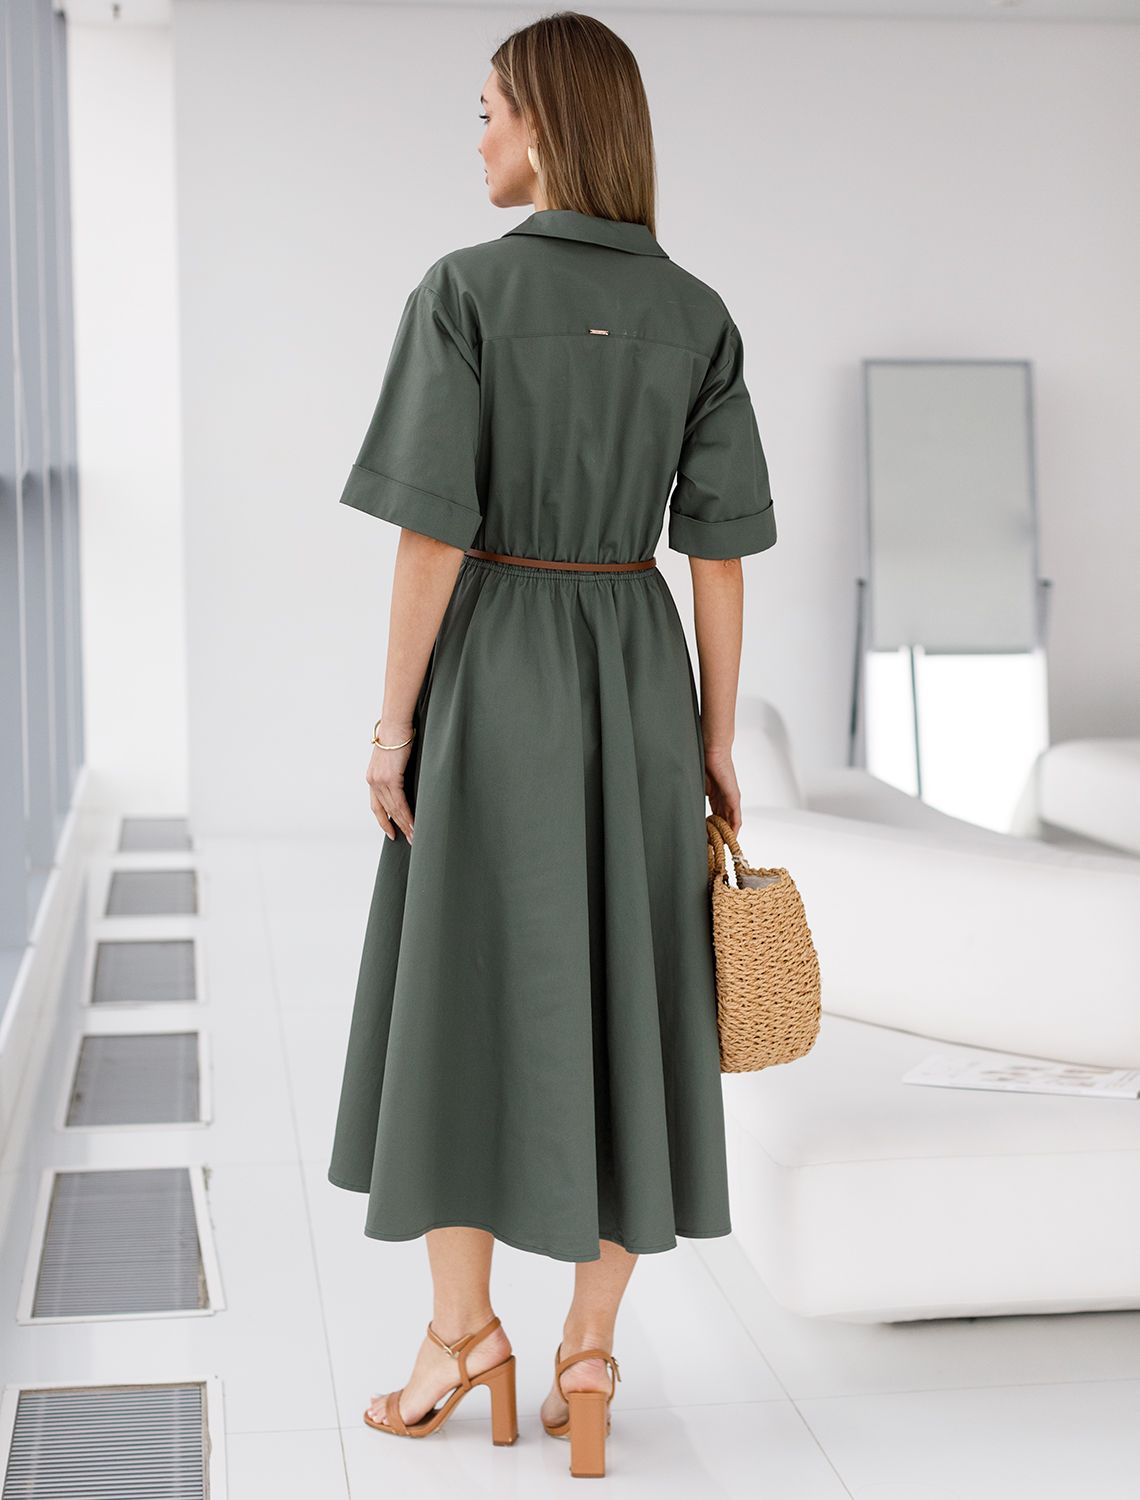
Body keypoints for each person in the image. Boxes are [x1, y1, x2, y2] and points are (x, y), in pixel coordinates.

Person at [327, 10, 778, 1478]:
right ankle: (590, 1351)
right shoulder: (698, 315)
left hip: (496, 668)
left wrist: (394, 724)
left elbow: (430, 534)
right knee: (631, 996)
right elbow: (718, 556)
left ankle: (462, 1338)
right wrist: (715, 738)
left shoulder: (463, 291)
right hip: (637, 667)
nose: (476, 139)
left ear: (547, 126)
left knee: (459, 987)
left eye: (488, 111)